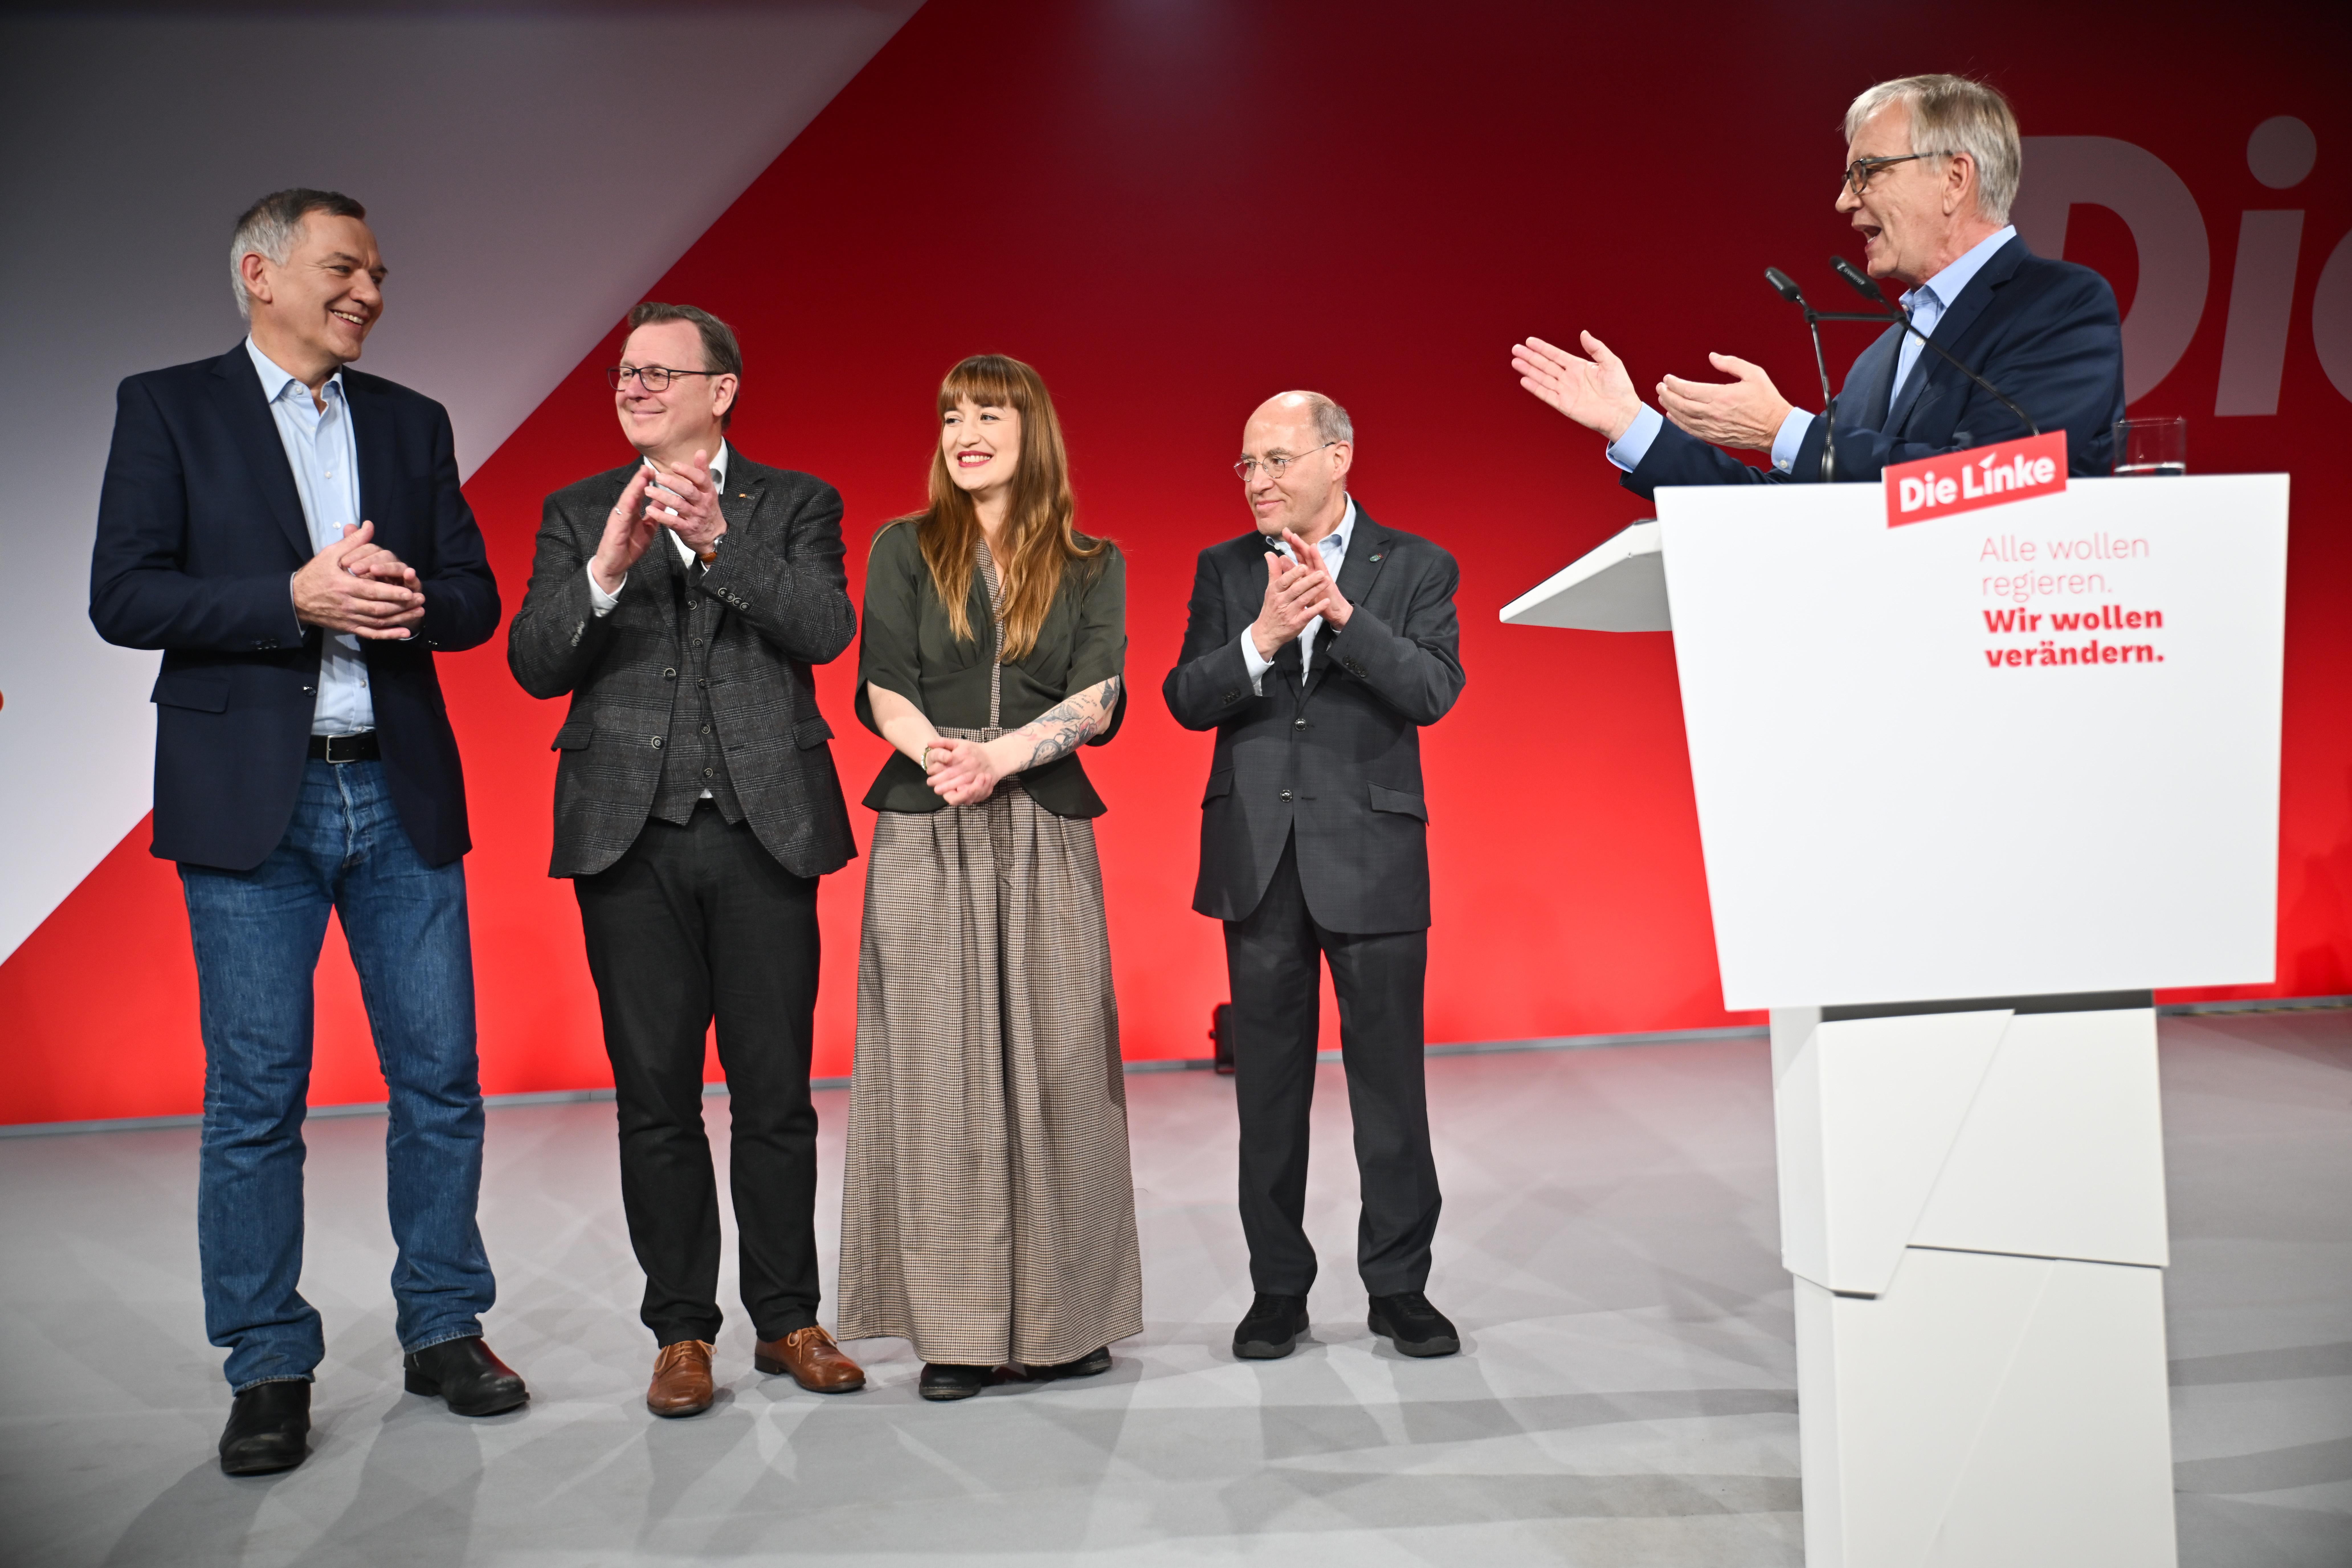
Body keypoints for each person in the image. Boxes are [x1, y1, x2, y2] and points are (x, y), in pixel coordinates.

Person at [89, 189, 521, 1477]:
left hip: (396, 787)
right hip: (249, 802)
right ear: (259, 274)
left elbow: (474, 596)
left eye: (381, 273)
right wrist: (292, 596)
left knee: (440, 1081)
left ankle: (447, 1327)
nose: (371, 292)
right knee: (256, 1098)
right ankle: (269, 1360)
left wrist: (411, 605)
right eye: (346, 268)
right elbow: (125, 593)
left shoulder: (413, 422)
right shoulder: (167, 405)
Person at [506, 302, 867, 1417]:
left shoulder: (795, 502)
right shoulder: (577, 512)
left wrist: (719, 538)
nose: (636, 387)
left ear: (723, 390)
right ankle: (681, 1331)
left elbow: (823, 627)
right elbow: (532, 660)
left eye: (662, 372)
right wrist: (607, 569)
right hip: (629, 834)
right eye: (625, 372)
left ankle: (789, 1317)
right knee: (655, 1097)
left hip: (767, 827)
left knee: (775, 1095)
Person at [836, 353, 1142, 1402]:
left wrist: (1003, 757)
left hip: (1042, 816)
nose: (965, 431)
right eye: (952, 415)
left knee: (1063, 1073)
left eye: (988, 414)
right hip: (928, 817)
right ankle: (957, 1331)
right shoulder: (902, 546)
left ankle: (1066, 1322)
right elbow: (881, 680)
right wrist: (944, 759)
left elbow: (1100, 690)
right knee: (939, 1077)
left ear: (1032, 430)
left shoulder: (1091, 560)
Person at [1162, 391, 1467, 1361]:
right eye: (1246, 465)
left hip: (1371, 859)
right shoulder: (1222, 570)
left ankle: (1398, 1286)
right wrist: (1255, 639)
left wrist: (1338, 613)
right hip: (1257, 861)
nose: (1258, 481)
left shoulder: (1415, 565)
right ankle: (1277, 1291)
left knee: (1389, 1091)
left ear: (1338, 458)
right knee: (1268, 1097)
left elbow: (1431, 689)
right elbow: (1182, 697)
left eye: (1277, 460)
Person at [1512, 73, 2126, 491]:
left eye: (1866, 172)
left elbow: (2000, 478)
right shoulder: (1881, 358)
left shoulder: (2059, 306)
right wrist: (1633, 427)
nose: (1842, 202)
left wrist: (1784, 430)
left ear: (1955, 178)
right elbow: (1784, 508)